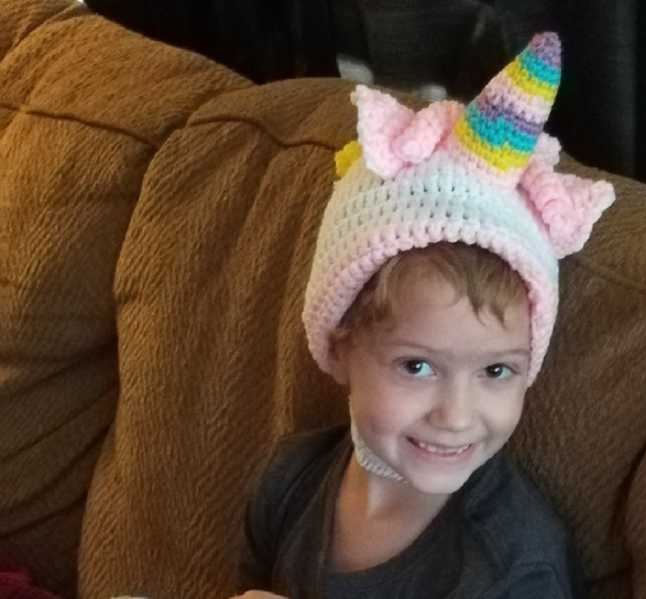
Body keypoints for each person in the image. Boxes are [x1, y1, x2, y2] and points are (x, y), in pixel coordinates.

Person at [234, 32, 615, 599]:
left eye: (496, 371)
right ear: (340, 348)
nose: (456, 416)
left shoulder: (513, 569)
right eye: (416, 366)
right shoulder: (287, 482)